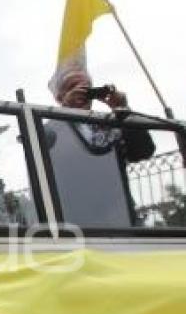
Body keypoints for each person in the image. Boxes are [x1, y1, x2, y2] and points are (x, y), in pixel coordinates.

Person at [47, 69, 155, 227]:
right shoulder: (51, 128)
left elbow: (143, 150)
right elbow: (43, 151)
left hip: (122, 218)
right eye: (73, 87)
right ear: (59, 97)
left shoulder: (108, 124)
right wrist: (65, 110)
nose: (82, 91)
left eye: (87, 87)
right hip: (75, 223)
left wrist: (123, 109)